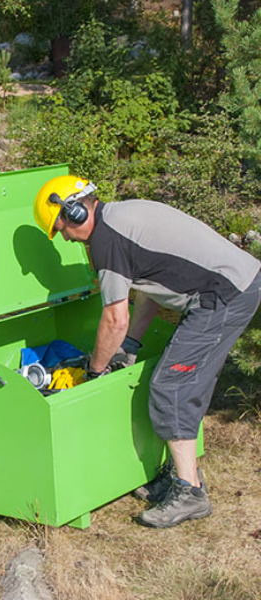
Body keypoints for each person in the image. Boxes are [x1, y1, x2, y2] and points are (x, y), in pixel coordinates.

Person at [32, 175, 261, 528]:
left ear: (75, 212)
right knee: (185, 380)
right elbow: (150, 287)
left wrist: (95, 370)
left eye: (60, 227)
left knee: (171, 385)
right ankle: (182, 475)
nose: (63, 236)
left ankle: (190, 493)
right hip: (236, 284)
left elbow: (113, 319)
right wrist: (131, 346)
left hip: (223, 296)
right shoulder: (122, 216)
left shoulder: (106, 241)